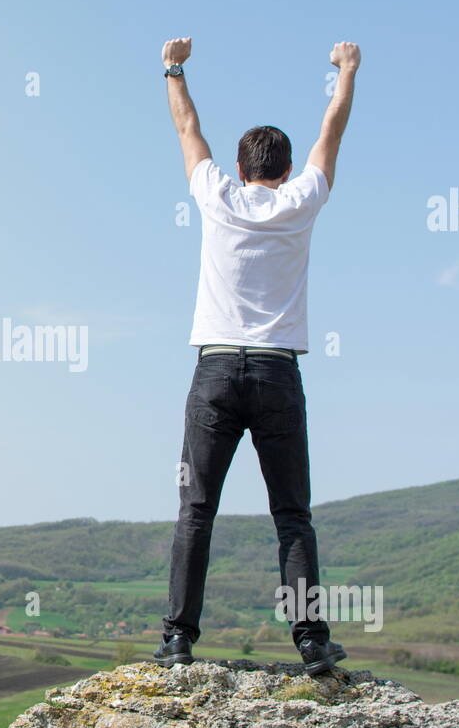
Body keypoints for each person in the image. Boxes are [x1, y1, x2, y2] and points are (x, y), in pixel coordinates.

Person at [154, 37, 360, 675]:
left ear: (242, 169)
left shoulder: (217, 195)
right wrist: (346, 70)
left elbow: (187, 125)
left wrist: (174, 67)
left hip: (215, 370)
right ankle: (310, 642)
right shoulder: (303, 202)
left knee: (196, 510)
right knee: (292, 514)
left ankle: (178, 640)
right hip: (277, 372)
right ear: (286, 168)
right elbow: (334, 123)